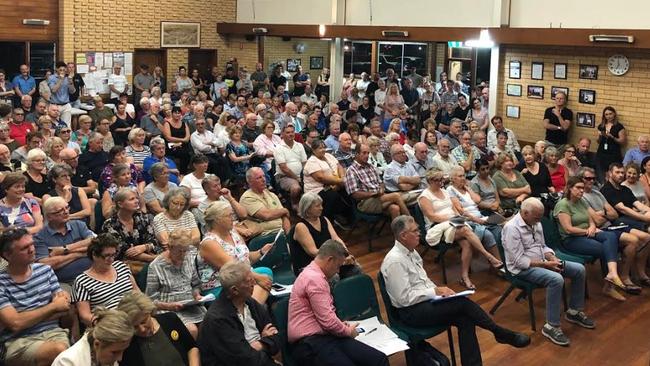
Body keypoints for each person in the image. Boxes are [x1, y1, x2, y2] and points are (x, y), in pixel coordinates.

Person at [381, 215, 530, 365]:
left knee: (465, 319)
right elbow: (403, 298)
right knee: (462, 304)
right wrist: (436, 292)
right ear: (403, 236)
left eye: (418, 229)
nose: (419, 233)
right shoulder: (395, 261)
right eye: (415, 231)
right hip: (410, 312)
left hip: (425, 303)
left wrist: (440, 292)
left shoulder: (411, 251)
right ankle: (499, 332)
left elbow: (423, 281)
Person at [502, 198, 593, 346]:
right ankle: (551, 326)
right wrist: (546, 265)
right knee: (556, 279)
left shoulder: (535, 222)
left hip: (543, 262)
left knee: (579, 270)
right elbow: (519, 261)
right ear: (525, 213)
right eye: (536, 217)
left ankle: (574, 311)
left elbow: (542, 246)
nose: (539, 221)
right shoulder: (511, 228)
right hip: (522, 269)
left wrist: (552, 257)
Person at [288, 239, 389, 366]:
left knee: (379, 359)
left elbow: (327, 318)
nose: (337, 271)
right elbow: (328, 321)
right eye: (338, 266)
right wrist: (347, 331)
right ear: (330, 260)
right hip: (309, 343)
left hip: (326, 335)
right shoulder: (314, 279)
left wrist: (340, 326)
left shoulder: (314, 275)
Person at [419, 169, 503, 289]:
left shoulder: (444, 192)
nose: (440, 182)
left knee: (467, 242)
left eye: (441, 179)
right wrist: (451, 218)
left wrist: (457, 218)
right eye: (437, 180)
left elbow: (454, 209)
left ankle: (465, 277)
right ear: (429, 181)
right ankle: (488, 256)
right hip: (437, 226)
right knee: (465, 230)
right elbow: (432, 216)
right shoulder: (424, 196)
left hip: (453, 222)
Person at [0, 228, 71, 366]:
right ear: (7, 255)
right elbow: (15, 324)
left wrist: (25, 317)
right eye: (24, 248)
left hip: (54, 332)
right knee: (59, 352)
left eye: (32, 244)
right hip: (17, 342)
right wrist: (53, 307)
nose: (32, 249)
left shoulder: (45, 270)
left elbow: (64, 308)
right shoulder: (2, 282)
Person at [554, 176, 630, 300]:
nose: (581, 191)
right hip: (571, 239)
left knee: (611, 237)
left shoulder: (581, 201)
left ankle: (612, 273)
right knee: (605, 248)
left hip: (588, 233)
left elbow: (591, 221)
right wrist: (586, 231)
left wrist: (592, 227)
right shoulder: (562, 205)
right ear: (569, 188)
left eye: (583, 188)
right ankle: (609, 285)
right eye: (578, 188)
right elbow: (569, 229)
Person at [579, 167, 650, 290]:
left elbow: (614, 214)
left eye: (593, 179)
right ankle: (625, 276)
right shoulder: (582, 196)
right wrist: (604, 214)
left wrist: (602, 213)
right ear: (580, 180)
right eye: (587, 178)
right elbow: (597, 221)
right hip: (601, 229)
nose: (591, 181)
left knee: (646, 237)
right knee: (633, 240)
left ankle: (638, 273)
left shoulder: (597, 192)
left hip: (612, 224)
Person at [198, 261, 279, 366]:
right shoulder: (218, 319)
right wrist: (265, 342)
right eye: (249, 281)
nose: (254, 283)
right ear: (235, 290)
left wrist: (258, 344)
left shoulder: (249, 302)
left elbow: (276, 335)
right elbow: (244, 360)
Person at [195, 200, 273, 302]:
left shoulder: (234, 233)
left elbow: (246, 258)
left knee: (265, 272)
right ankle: (252, 310)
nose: (233, 219)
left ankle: (251, 309)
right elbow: (232, 268)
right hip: (222, 286)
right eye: (229, 215)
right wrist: (257, 277)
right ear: (218, 220)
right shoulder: (209, 243)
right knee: (259, 278)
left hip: (243, 279)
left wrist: (261, 252)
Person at [146, 230, 206, 340]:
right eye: (179, 251)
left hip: (190, 305)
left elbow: (196, 284)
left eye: (185, 251)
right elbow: (150, 300)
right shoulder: (155, 266)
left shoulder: (188, 258)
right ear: (169, 247)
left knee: (211, 324)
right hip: (169, 308)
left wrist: (197, 295)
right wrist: (170, 306)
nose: (183, 255)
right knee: (191, 330)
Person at [290, 192, 361, 279]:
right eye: (317, 206)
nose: (321, 208)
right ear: (307, 209)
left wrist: (345, 254)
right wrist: (338, 259)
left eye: (321, 205)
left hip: (329, 260)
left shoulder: (324, 219)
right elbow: (313, 252)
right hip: (310, 265)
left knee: (355, 269)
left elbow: (336, 239)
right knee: (334, 277)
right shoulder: (301, 227)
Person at [118, 291, 200, 365]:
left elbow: (191, 347)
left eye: (143, 322)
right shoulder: (127, 345)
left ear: (150, 312)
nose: (142, 329)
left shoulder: (170, 320)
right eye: (135, 326)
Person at [73, 233, 138, 326]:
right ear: (94, 255)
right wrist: (103, 323)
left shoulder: (121, 266)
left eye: (113, 255)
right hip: (110, 324)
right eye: (107, 256)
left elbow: (137, 294)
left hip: (134, 316)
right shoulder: (82, 281)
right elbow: (84, 315)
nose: (111, 259)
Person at [34, 197, 95, 284]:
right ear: (49, 217)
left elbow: (93, 243)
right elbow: (45, 264)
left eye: (67, 207)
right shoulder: (40, 237)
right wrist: (79, 254)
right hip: (65, 282)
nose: (66, 212)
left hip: (93, 273)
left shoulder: (78, 224)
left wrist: (65, 249)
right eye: (60, 211)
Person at [344, 143, 409, 218]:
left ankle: (401, 229)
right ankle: (411, 222)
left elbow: (381, 183)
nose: (367, 156)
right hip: (365, 202)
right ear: (356, 154)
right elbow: (354, 194)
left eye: (368, 153)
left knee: (395, 208)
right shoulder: (351, 171)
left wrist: (381, 189)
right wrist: (373, 194)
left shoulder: (371, 167)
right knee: (396, 196)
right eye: (364, 153)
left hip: (379, 197)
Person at [447, 166, 501, 255]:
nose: (463, 178)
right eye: (460, 176)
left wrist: (468, 189)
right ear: (453, 178)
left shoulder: (466, 188)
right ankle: (497, 263)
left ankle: (499, 261)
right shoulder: (450, 189)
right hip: (468, 220)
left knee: (499, 230)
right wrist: (475, 219)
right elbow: (460, 210)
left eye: (464, 176)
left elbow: (478, 200)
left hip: (480, 216)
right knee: (488, 235)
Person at [102, 188, 161, 270]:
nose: (137, 201)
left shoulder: (143, 218)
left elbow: (154, 240)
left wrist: (144, 247)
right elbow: (124, 251)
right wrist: (154, 258)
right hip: (123, 264)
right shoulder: (110, 224)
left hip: (149, 257)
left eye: (136, 198)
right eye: (132, 199)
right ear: (120, 204)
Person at [51, 309, 133, 366]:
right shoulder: (67, 362)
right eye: (115, 352)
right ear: (97, 344)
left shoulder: (105, 355)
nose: (120, 358)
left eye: (123, 350)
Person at [240, 167, 291, 235]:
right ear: (250, 182)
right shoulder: (247, 198)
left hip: (282, 231)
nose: (264, 179)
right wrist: (284, 210)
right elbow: (266, 215)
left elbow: (284, 216)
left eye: (263, 176)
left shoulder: (271, 194)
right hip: (267, 235)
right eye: (259, 178)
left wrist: (288, 235)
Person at [601, 162, 650, 229]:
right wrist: (644, 218)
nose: (621, 175)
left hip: (631, 216)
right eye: (617, 172)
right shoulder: (606, 189)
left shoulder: (626, 189)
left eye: (622, 172)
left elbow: (639, 205)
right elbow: (623, 209)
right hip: (619, 220)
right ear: (610, 173)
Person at [596, 106, 626, 180]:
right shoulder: (601, 126)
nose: (608, 116)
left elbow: (622, 141)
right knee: (602, 173)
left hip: (614, 153)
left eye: (610, 114)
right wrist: (600, 136)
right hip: (602, 152)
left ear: (614, 114)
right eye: (606, 114)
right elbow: (598, 141)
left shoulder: (619, 126)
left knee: (612, 173)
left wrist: (612, 137)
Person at [162, 106, 191, 175]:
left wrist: (181, 142)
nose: (177, 114)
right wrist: (181, 140)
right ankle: (177, 174)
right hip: (171, 145)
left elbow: (187, 137)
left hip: (183, 144)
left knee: (187, 153)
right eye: (175, 113)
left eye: (179, 113)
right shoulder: (167, 123)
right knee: (181, 153)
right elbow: (168, 137)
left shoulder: (184, 123)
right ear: (172, 114)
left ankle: (183, 174)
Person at [48, 61, 75, 127]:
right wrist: (60, 79)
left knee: (67, 126)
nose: (62, 71)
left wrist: (70, 81)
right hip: (55, 105)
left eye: (64, 70)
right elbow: (53, 90)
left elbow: (72, 91)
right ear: (56, 69)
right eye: (60, 70)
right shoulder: (51, 78)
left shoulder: (67, 77)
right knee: (55, 125)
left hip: (66, 105)